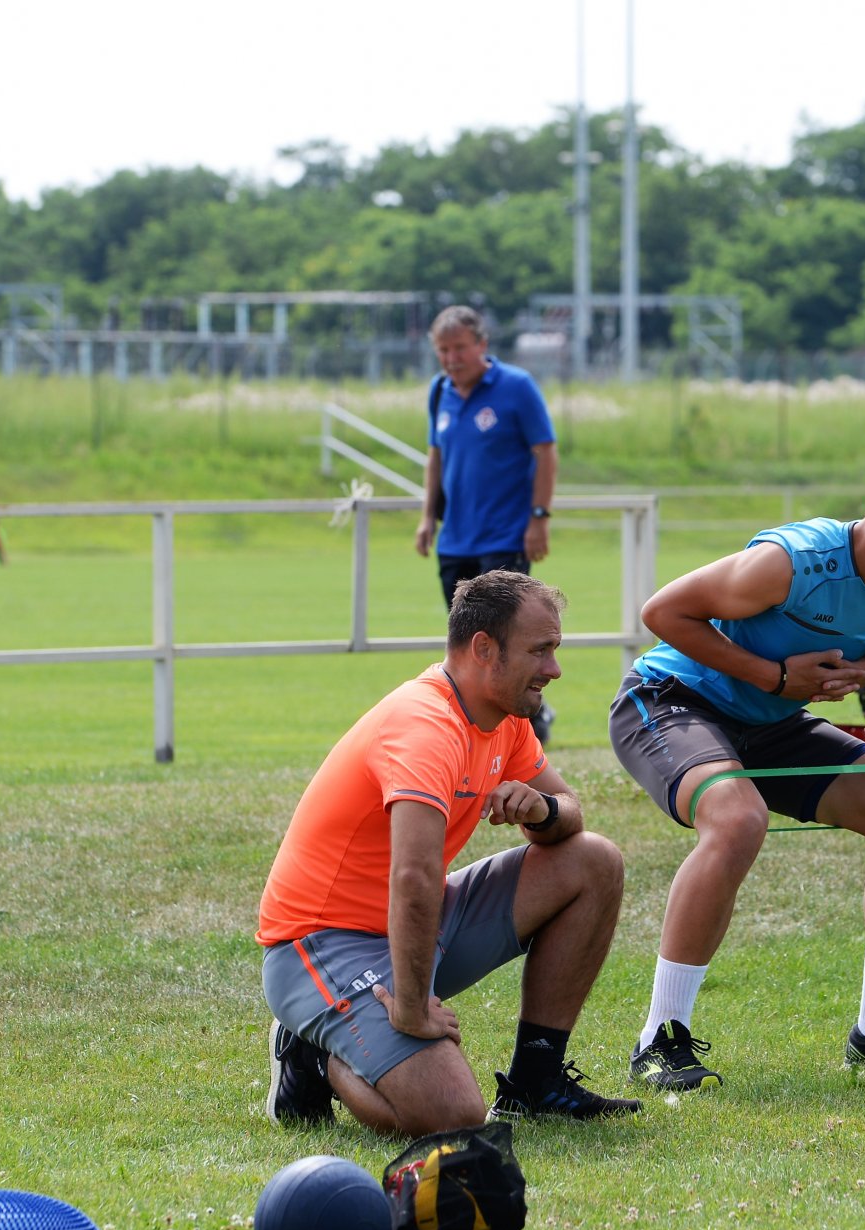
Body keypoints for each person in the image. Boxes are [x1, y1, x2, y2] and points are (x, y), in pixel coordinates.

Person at [611, 424, 865, 1091]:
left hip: (770, 721)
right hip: (672, 701)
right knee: (738, 820)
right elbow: (663, 612)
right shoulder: (791, 561)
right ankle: (659, 1041)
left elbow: (846, 643)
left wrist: (861, 670)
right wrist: (774, 677)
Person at [258, 570, 640, 1135]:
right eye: (540, 651)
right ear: (484, 648)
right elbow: (413, 878)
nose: (554, 669)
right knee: (453, 1117)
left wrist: (542, 812)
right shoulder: (425, 725)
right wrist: (410, 1009)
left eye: (554, 650)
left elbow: (569, 808)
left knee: (594, 860)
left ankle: (537, 1081)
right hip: (321, 943)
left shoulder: (503, 719)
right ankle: (313, 1050)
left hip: (413, 925)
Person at [413, 306, 559, 741]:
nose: (452, 358)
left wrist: (539, 518)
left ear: (482, 345)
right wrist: (426, 517)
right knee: (467, 642)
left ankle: (525, 726)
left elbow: (545, 451)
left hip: (504, 536)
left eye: (459, 347)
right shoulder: (440, 392)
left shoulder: (516, 386)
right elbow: (435, 457)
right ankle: (469, 722)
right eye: (443, 350)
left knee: (508, 638)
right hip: (456, 538)